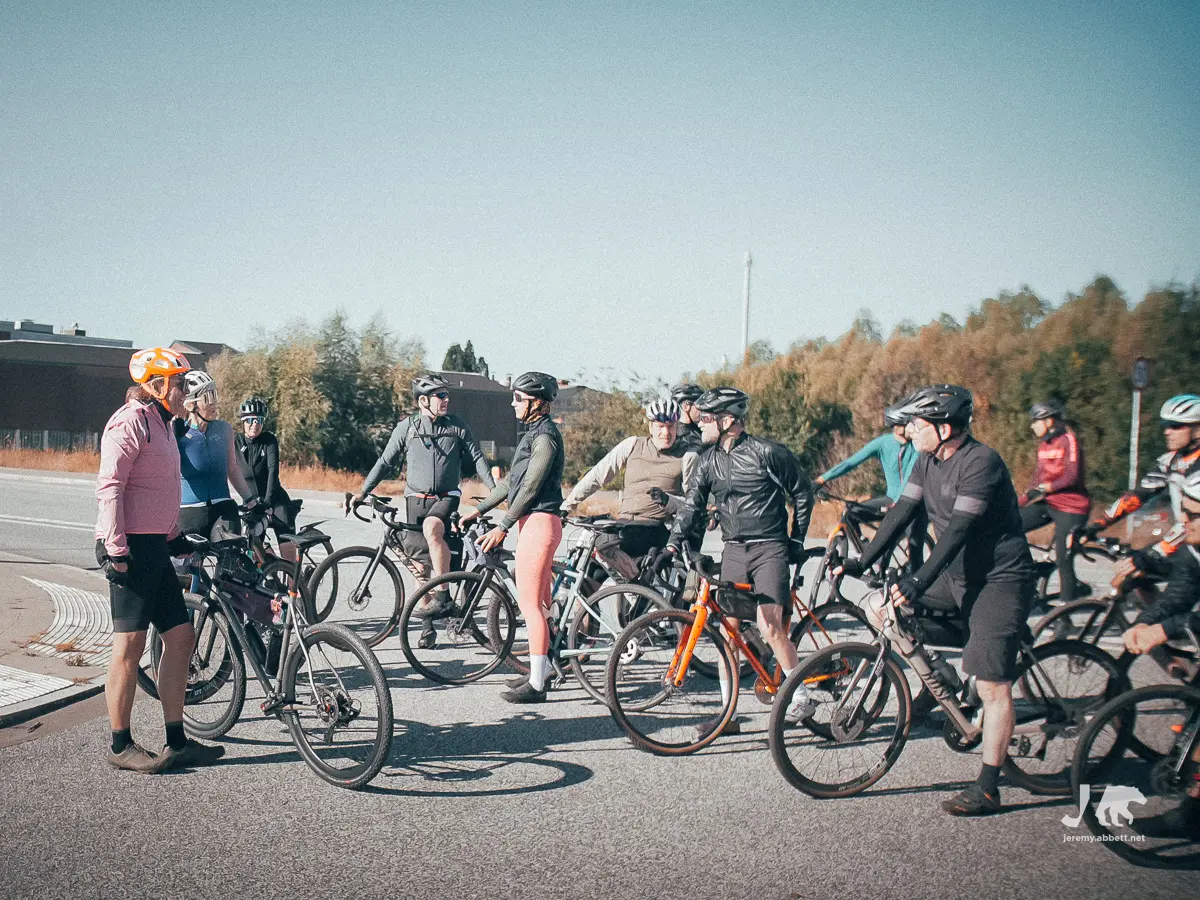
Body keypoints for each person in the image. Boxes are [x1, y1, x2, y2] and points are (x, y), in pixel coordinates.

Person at [839, 385, 1036, 817]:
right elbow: (900, 513)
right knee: (879, 607)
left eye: (917, 424)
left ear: (944, 428)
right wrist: (860, 560)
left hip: (998, 579)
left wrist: (916, 580)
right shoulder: (928, 461)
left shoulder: (981, 463)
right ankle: (941, 677)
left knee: (993, 686)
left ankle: (988, 787)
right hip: (956, 576)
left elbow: (958, 531)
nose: (908, 430)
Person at [95, 347, 224, 773]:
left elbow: (161, 488)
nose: (184, 391)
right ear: (155, 385)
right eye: (179, 383)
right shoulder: (129, 422)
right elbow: (111, 485)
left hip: (155, 547)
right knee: (129, 647)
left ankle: (176, 741)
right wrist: (115, 548)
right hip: (129, 547)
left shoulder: (165, 425)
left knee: (181, 638)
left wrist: (172, 538)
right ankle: (120, 745)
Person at [664, 387, 815, 738]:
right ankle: (727, 714)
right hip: (734, 549)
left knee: (769, 625)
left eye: (706, 418)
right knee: (728, 632)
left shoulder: (768, 453)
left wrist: (796, 539)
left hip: (770, 548)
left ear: (728, 420)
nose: (699, 424)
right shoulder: (707, 459)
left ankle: (802, 696)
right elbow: (691, 506)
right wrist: (672, 545)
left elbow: (803, 492)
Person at [349, 372, 496, 628]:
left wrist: (495, 492)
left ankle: (444, 597)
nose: (445, 399)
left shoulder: (457, 426)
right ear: (423, 401)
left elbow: (478, 460)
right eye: (439, 395)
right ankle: (428, 623)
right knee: (419, 564)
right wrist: (363, 491)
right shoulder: (407, 428)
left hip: (446, 498)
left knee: (432, 529)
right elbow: (385, 462)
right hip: (415, 500)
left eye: (446, 395)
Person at [461, 372, 565, 703]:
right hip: (532, 523)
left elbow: (532, 487)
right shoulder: (532, 435)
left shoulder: (545, 437)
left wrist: (503, 525)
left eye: (518, 398)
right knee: (541, 604)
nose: (512, 403)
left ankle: (536, 683)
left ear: (536, 403)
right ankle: (545, 666)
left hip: (539, 522)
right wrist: (479, 510)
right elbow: (510, 485)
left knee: (530, 605)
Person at [1121, 468, 1200, 839]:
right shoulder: (1193, 547)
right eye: (1183, 511)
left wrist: (1164, 630)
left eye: (1193, 515)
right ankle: (1194, 811)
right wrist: (1146, 622)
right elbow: (1180, 593)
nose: (1183, 522)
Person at [561, 398, 698, 578]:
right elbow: (597, 476)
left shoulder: (687, 456)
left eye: (671, 426)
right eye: (660, 426)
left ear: (678, 427)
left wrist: (668, 501)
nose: (666, 433)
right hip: (625, 525)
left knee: (603, 545)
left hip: (653, 528)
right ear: (650, 427)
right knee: (590, 578)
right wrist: (567, 505)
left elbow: (692, 505)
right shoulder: (633, 445)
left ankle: (638, 590)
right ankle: (629, 592)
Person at [815, 396, 926, 569]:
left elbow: (912, 475)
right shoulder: (884, 443)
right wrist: (822, 479)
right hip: (891, 499)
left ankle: (913, 579)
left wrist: (900, 504)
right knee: (852, 514)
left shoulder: (918, 447)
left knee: (914, 547)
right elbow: (851, 462)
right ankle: (868, 554)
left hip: (912, 504)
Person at [1017, 400, 1091, 606]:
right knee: (1010, 525)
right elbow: (1036, 481)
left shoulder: (1069, 440)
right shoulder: (1044, 446)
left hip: (1072, 507)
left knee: (1062, 557)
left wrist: (1047, 488)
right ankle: (1029, 572)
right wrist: (1017, 504)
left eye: (1036, 421)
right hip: (1050, 503)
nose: (1033, 426)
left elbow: (1072, 476)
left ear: (1049, 421)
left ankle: (1065, 615)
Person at [176, 370, 257, 543]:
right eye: (208, 398)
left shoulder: (224, 429)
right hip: (190, 513)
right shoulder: (177, 432)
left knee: (230, 559)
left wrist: (250, 499)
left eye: (215, 396)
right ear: (191, 405)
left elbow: (232, 469)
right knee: (185, 568)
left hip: (223, 509)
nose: (214, 403)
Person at [234, 397, 298, 565]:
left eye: (259, 420)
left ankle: (294, 589)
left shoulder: (269, 440)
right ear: (243, 421)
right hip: (252, 502)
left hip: (275, 500)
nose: (255, 424)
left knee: (287, 549)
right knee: (255, 549)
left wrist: (268, 502)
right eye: (250, 420)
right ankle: (273, 569)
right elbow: (228, 470)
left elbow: (272, 472)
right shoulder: (236, 442)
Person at [670, 383, 706, 452]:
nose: (703, 410)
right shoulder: (684, 438)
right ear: (685, 407)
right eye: (700, 405)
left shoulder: (696, 430)